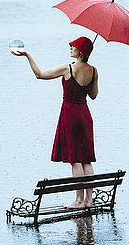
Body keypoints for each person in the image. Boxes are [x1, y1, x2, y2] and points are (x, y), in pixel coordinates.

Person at [11, 36, 99, 209]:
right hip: (85, 116)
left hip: (71, 116)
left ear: (81, 51)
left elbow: (40, 75)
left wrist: (28, 55)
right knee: (86, 160)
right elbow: (93, 95)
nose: (71, 48)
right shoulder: (94, 71)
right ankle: (89, 200)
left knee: (75, 160)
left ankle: (79, 201)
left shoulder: (68, 68)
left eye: (73, 46)